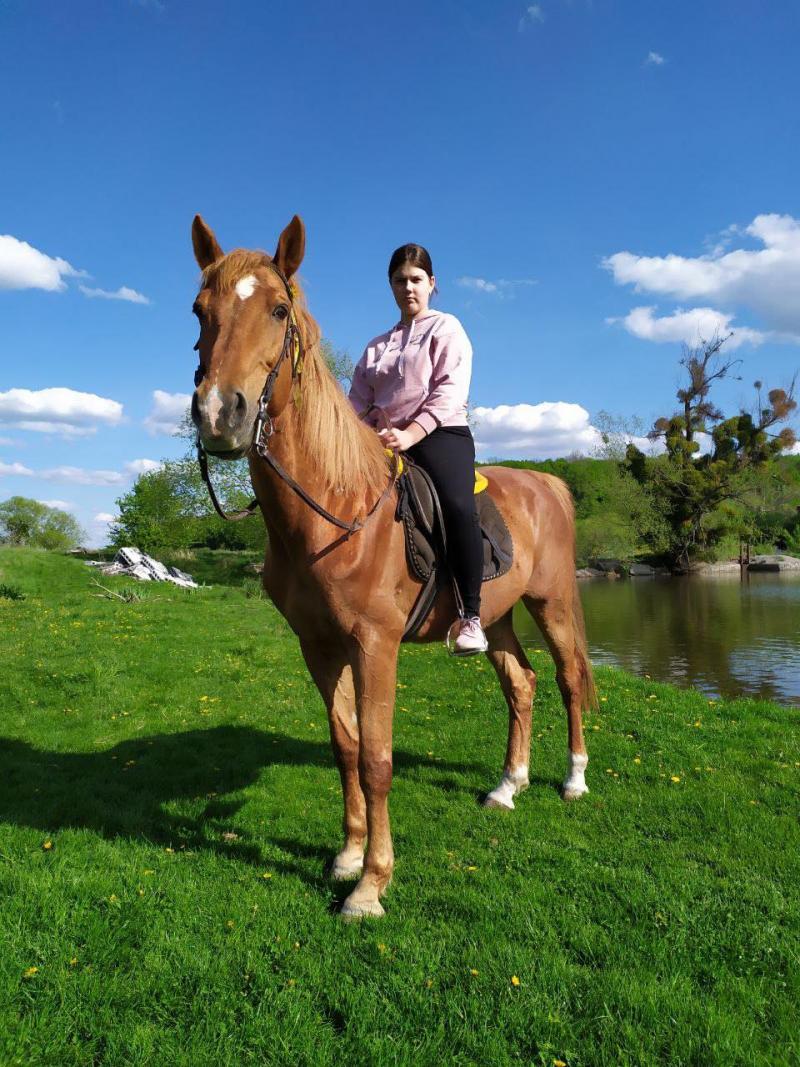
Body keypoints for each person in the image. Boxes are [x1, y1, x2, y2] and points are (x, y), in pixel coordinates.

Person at [349, 243, 488, 655]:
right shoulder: (376, 347)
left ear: (431, 283)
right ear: (390, 285)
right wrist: (356, 435)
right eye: (400, 280)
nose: (408, 287)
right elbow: (356, 402)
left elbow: (450, 391)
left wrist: (411, 433)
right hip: (383, 443)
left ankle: (470, 616)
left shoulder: (447, 328)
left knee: (458, 505)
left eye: (415, 279)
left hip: (440, 434)